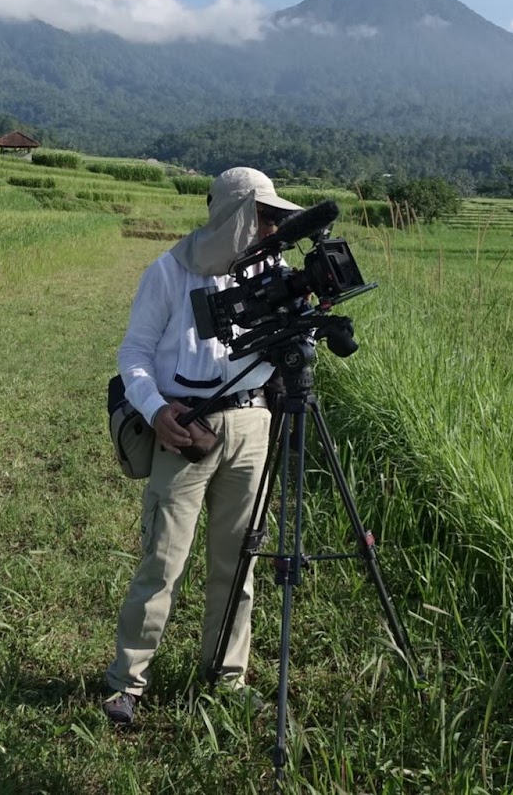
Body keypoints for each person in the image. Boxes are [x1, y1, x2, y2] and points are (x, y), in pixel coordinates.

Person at [101, 167, 302, 726]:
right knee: (163, 560)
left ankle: (227, 677)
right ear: (236, 215)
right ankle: (127, 681)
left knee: (239, 561)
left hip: (253, 424)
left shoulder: (274, 272)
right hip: (185, 429)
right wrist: (156, 411)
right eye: (263, 217)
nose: (270, 230)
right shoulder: (168, 273)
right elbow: (134, 355)